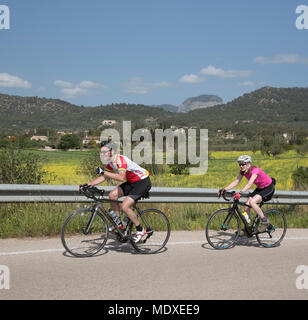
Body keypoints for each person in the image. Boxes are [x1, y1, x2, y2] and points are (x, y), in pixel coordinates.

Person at [80, 140, 151, 243]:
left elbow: (121, 178)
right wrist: (89, 184)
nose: (102, 154)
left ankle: (140, 230)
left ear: (112, 151)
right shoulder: (111, 163)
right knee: (112, 195)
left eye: (105, 152)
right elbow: (104, 176)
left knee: (125, 206)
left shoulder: (120, 160)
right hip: (132, 182)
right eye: (101, 152)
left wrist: (103, 171)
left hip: (142, 182)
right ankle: (119, 225)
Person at [218, 155, 275, 235]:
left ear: (248, 164)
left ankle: (265, 221)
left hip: (268, 188)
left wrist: (240, 193)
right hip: (260, 188)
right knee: (246, 206)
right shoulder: (243, 172)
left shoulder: (255, 171)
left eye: (243, 164)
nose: (241, 166)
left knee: (252, 202)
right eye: (240, 164)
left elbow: (249, 184)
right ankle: (247, 228)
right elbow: (236, 182)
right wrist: (224, 189)